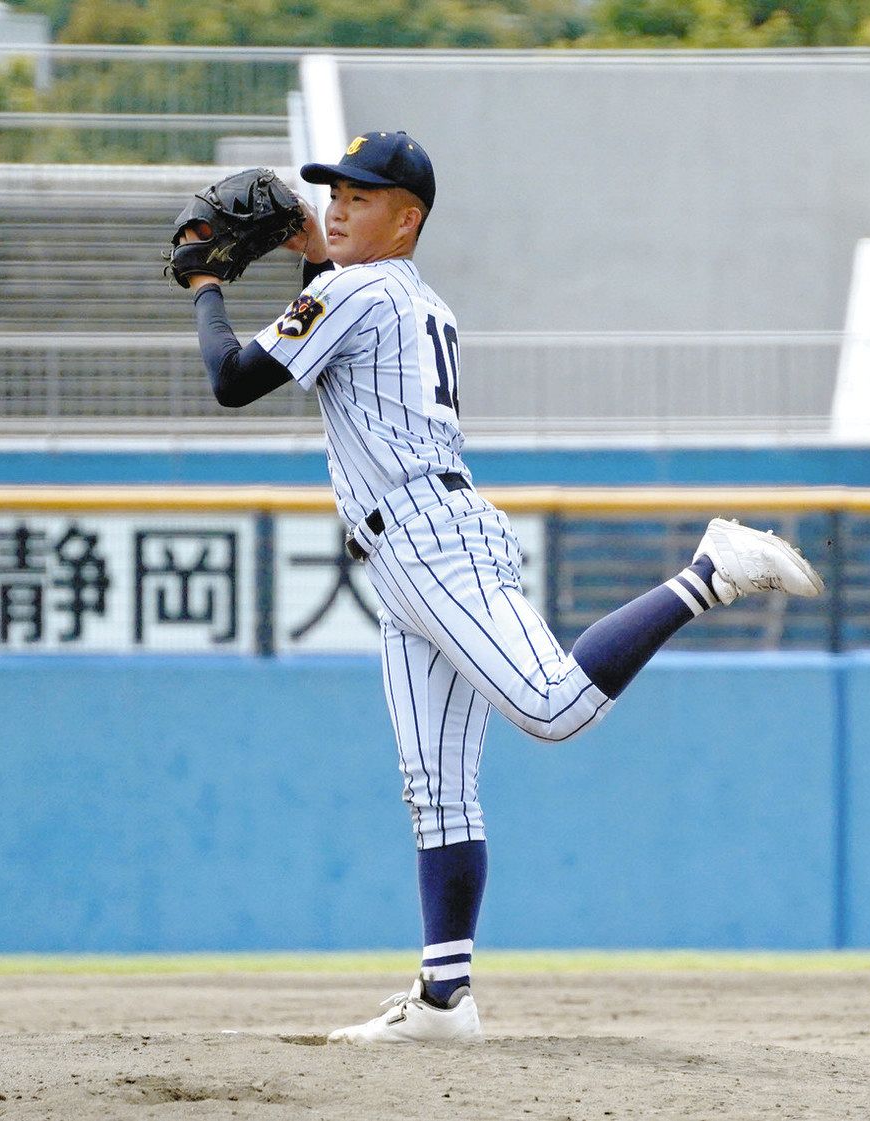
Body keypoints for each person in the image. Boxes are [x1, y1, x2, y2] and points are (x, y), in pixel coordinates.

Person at [180, 131, 824, 1044]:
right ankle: (445, 998)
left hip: (429, 539)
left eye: (360, 197)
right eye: (332, 192)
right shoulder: (387, 288)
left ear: (407, 220)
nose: (335, 204)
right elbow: (323, 314)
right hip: (399, 557)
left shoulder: (361, 286)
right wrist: (312, 254)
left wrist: (206, 287)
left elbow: (234, 379)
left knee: (556, 708)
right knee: (434, 786)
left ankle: (709, 570)